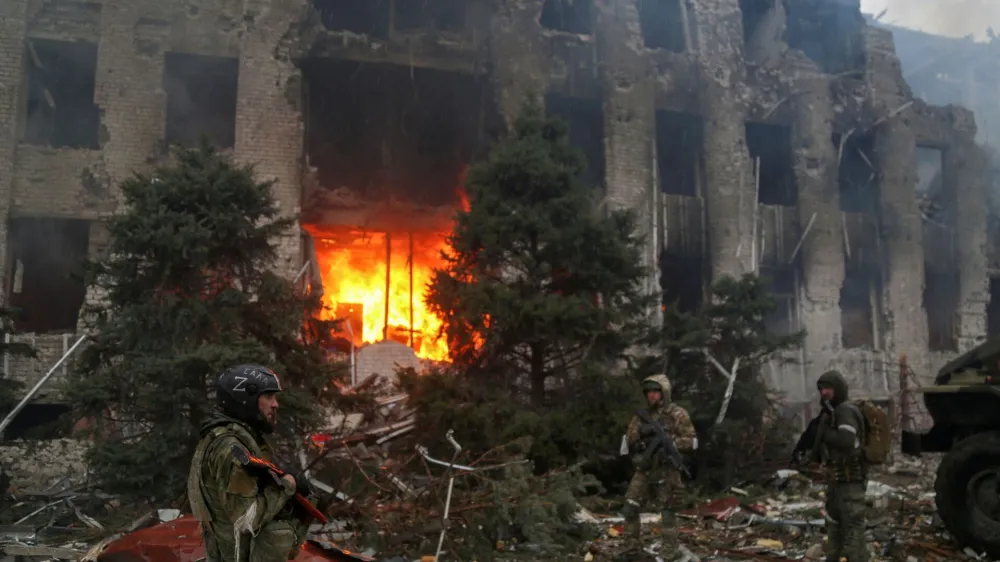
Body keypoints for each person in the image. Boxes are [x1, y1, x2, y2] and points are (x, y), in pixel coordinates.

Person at [187, 364, 311, 562]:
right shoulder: (231, 448)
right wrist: (288, 485)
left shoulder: (228, 439)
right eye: (268, 396)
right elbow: (244, 518)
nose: (275, 404)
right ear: (245, 399)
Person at [619, 374, 697, 555]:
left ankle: (669, 550)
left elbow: (692, 441)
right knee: (629, 507)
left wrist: (670, 442)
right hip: (646, 467)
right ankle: (632, 548)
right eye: (649, 392)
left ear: (664, 393)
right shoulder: (641, 416)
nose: (652, 395)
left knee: (668, 513)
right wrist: (642, 442)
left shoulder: (678, 414)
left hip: (668, 468)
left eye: (656, 391)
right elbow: (628, 441)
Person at [810, 370, 869, 562]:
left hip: (850, 482)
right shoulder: (834, 412)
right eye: (821, 389)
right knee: (835, 528)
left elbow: (846, 440)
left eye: (828, 388)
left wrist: (825, 433)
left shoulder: (845, 410)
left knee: (852, 530)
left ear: (838, 389)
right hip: (837, 483)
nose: (823, 392)